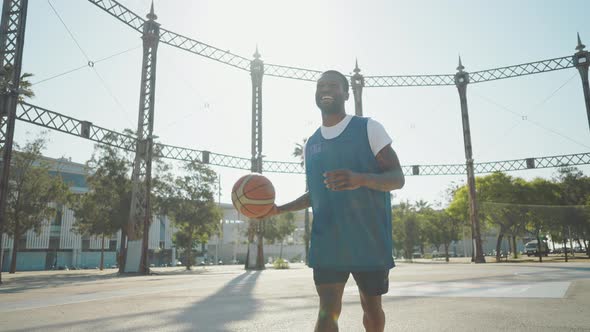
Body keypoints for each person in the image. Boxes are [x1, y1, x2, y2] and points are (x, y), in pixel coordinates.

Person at [262, 70, 405, 332]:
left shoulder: (368, 128)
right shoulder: (312, 143)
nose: (325, 89)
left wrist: (360, 179)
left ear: (346, 93)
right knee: (328, 310)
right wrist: (279, 209)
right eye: (320, 85)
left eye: (333, 85)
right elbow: (316, 192)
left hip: (368, 240)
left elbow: (397, 178)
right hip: (328, 242)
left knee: (371, 308)